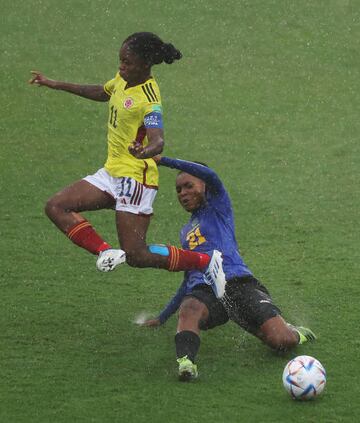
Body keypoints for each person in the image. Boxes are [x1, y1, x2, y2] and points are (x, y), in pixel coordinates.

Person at [29, 32, 221, 277]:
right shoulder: (122, 79)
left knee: (136, 255)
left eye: (127, 62)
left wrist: (144, 151)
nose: (121, 66)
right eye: (120, 60)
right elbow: (103, 92)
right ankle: (105, 250)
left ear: (144, 64)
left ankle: (207, 262)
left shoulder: (149, 98)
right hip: (111, 173)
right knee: (56, 206)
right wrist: (54, 84)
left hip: (135, 180)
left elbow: (158, 140)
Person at [141, 156, 316, 381]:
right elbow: (188, 279)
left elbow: (211, 175)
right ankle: (186, 363)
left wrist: (163, 160)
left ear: (204, 185)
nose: (182, 193)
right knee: (190, 308)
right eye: (178, 190)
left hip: (238, 283)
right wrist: (162, 317)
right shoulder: (185, 233)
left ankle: (295, 333)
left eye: (188, 186)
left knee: (281, 342)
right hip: (205, 291)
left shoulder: (218, 205)